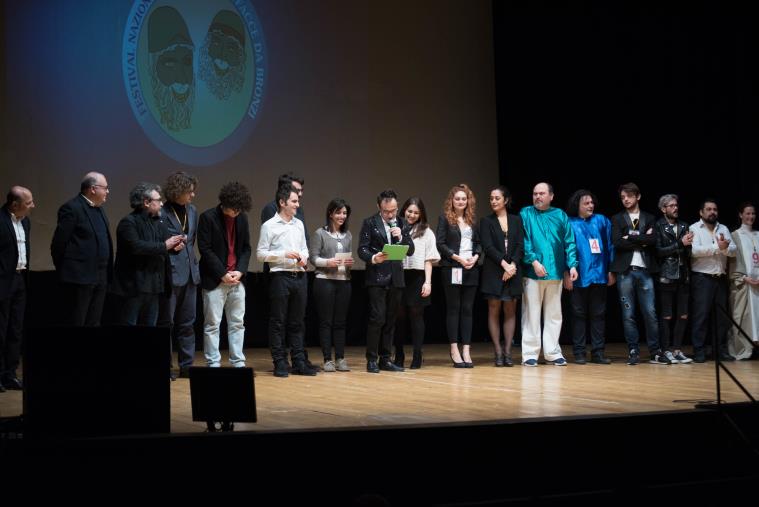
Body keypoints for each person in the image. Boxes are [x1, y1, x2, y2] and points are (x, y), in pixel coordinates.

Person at [258, 184, 317, 377]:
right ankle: (280, 362)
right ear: (282, 202)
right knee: (278, 322)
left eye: (297, 201)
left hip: (299, 276)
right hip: (280, 277)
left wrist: (304, 257)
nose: (297, 204)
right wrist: (283, 255)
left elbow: (305, 248)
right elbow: (261, 254)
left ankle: (299, 361)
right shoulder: (269, 226)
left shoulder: (298, 224)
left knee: (298, 322)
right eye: (294, 201)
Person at [610, 182, 670, 365]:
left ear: (638, 196)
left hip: (645, 270)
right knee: (628, 314)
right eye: (622, 197)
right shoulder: (617, 218)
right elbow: (617, 242)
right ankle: (633, 350)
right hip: (625, 271)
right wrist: (641, 239)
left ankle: (655, 351)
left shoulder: (649, 218)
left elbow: (653, 240)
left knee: (650, 312)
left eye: (628, 196)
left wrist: (631, 237)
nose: (625, 199)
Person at [520, 182, 577, 366]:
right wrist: (534, 261)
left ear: (551, 196)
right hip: (532, 272)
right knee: (531, 313)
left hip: (556, 272)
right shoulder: (526, 213)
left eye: (542, 193)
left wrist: (572, 266)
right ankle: (530, 353)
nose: (538, 197)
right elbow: (524, 241)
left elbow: (569, 242)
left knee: (554, 314)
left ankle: (553, 352)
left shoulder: (560, 215)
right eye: (535, 193)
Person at [358, 189, 415, 373]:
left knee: (391, 319)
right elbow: (362, 249)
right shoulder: (370, 223)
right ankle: (372, 359)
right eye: (386, 211)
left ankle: (385, 358)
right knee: (377, 318)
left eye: (393, 210)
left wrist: (402, 236)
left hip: (396, 278)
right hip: (377, 278)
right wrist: (375, 257)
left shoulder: (401, 222)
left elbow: (411, 250)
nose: (390, 215)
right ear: (379, 207)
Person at [113, 182, 184, 327]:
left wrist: (175, 246)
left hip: (154, 285)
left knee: (151, 328)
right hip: (135, 286)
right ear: (146, 202)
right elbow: (137, 247)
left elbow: (164, 243)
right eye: (158, 200)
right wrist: (166, 245)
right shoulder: (128, 223)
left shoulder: (157, 222)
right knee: (129, 324)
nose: (162, 204)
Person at [198, 181, 252, 368]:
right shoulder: (208, 217)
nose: (236, 213)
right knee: (212, 324)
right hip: (215, 280)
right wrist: (222, 273)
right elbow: (205, 249)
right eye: (233, 209)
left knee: (237, 323)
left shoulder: (242, 218)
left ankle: (238, 362)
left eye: (239, 209)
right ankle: (213, 363)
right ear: (224, 203)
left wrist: (240, 271)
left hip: (237, 280)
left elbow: (246, 248)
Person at [51, 172, 114, 327]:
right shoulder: (72, 208)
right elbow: (59, 244)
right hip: (79, 278)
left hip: (100, 276)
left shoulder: (100, 209)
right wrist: (68, 271)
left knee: (94, 322)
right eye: (105, 188)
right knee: (76, 321)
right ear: (93, 189)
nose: (108, 191)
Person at [157, 171, 201, 379]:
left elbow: (191, 241)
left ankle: (186, 365)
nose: (192, 196)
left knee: (188, 323)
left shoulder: (192, 211)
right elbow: (159, 241)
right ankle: (165, 366)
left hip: (191, 274)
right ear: (178, 191)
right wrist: (169, 248)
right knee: (167, 323)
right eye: (189, 192)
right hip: (171, 274)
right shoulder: (162, 212)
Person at [564, 189, 614, 365]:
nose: (591, 205)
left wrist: (610, 270)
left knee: (599, 314)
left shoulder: (602, 221)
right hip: (578, 276)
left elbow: (609, 246)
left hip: (600, 274)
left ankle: (598, 352)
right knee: (578, 314)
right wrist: (566, 273)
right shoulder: (569, 223)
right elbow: (565, 249)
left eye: (592, 202)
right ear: (577, 205)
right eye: (586, 203)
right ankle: (579, 352)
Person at [437, 183, 481, 368]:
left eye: (464, 199)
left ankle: (466, 350)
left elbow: (479, 243)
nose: (461, 201)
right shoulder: (445, 219)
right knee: (454, 309)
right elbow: (440, 243)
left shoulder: (472, 220)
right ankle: (454, 348)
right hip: (452, 267)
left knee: (468, 310)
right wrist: (458, 258)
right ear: (452, 201)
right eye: (457, 199)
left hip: (471, 268)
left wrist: (475, 256)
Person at [393, 197, 440, 369]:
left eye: (416, 212)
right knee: (398, 317)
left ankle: (417, 354)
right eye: (409, 211)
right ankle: (398, 355)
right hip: (399, 275)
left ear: (421, 215)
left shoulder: (427, 232)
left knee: (416, 316)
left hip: (417, 276)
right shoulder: (396, 228)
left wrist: (428, 282)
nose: (412, 215)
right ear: (403, 210)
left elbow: (429, 259)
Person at [309, 198, 354, 372]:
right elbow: (313, 258)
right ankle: (328, 359)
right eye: (338, 212)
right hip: (324, 281)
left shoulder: (348, 235)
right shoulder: (320, 233)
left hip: (344, 281)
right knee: (326, 322)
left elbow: (346, 261)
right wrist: (329, 262)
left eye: (344, 213)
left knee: (341, 322)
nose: (342, 216)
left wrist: (348, 262)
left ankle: (340, 358)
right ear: (330, 213)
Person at [479, 186, 523, 367]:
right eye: (491, 198)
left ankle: (508, 351)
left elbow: (520, 245)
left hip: (512, 271)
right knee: (494, 309)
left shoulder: (516, 220)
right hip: (494, 271)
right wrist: (504, 264)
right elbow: (488, 247)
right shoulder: (486, 221)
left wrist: (512, 265)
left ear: (505, 200)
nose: (493, 201)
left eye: (497, 198)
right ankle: (497, 351)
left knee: (510, 310)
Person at [689, 199, 737, 363]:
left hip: (720, 278)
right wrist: (719, 248)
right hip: (702, 278)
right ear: (701, 212)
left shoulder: (723, 228)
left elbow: (733, 250)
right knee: (701, 316)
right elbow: (694, 251)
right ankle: (699, 350)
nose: (712, 212)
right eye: (708, 209)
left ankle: (720, 350)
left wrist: (725, 248)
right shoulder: (694, 228)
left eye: (715, 209)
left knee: (722, 317)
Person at [0, 187, 34, 392]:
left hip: (21, 280)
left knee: (15, 329)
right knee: (0, 330)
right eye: (28, 202)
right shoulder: (1, 221)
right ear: (15, 204)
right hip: (4, 281)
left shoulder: (26, 222)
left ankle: (10, 373)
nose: (32, 206)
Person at [654, 194, 694, 364]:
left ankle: (677, 349)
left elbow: (688, 252)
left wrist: (689, 246)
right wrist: (680, 244)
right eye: (671, 206)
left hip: (683, 275)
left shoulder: (684, 225)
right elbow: (658, 251)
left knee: (683, 315)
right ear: (663, 209)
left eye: (676, 205)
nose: (675, 208)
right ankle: (666, 349)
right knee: (667, 316)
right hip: (666, 276)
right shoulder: (658, 225)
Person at [728, 202, 759, 359]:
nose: (750, 216)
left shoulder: (758, 235)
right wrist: (744, 278)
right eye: (747, 213)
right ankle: (743, 349)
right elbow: (733, 262)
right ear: (741, 215)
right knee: (741, 316)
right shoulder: (734, 236)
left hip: (758, 284)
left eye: (753, 213)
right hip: (744, 284)